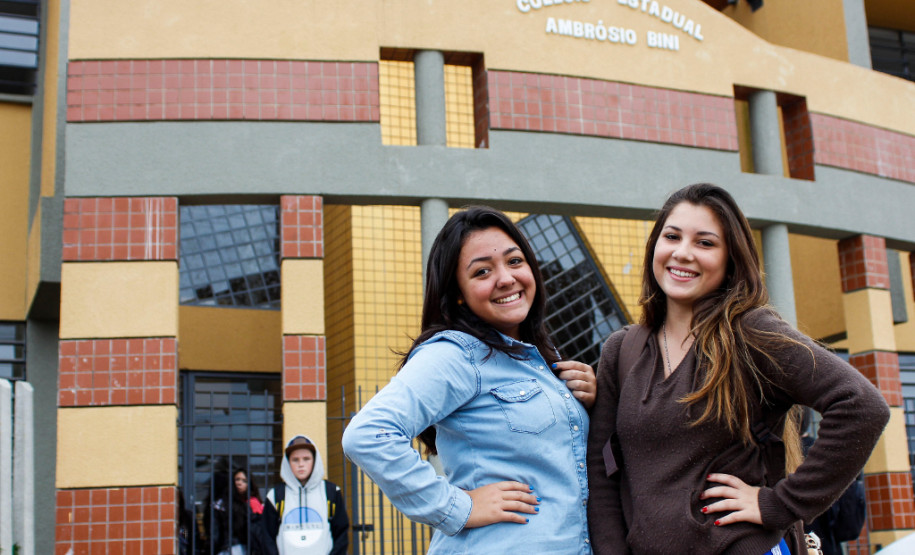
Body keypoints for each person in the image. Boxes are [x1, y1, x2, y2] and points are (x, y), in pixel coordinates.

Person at [586, 183, 890, 554]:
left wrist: (778, 504)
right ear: (655, 246)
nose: (683, 253)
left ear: (731, 260)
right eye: (672, 236)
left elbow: (861, 405)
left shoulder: (751, 333)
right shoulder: (622, 350)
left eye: (705, 243)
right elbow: (602, 473)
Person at [341, 205, 597, 554]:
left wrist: (587, 400)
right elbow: (368, 435)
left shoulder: (537, 356)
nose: (505, 278)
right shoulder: (456, 354)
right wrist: (459, 507)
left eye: (515, 261)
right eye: (482, 272)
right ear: (458, 292)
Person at [264, 436, 349, 555]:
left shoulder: (331, 492)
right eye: (295, 460)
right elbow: (267, 537)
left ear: (315, 460)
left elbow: (341, 533)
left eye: (306, 459)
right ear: (288, 462)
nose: (301, 464)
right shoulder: (275, 496)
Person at [207, 466, 273, 555]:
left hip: (247, 547)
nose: (239, 483)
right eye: (237, 479)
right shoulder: (223, 503)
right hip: (231, 547)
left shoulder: (252, 502)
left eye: (244, 481)